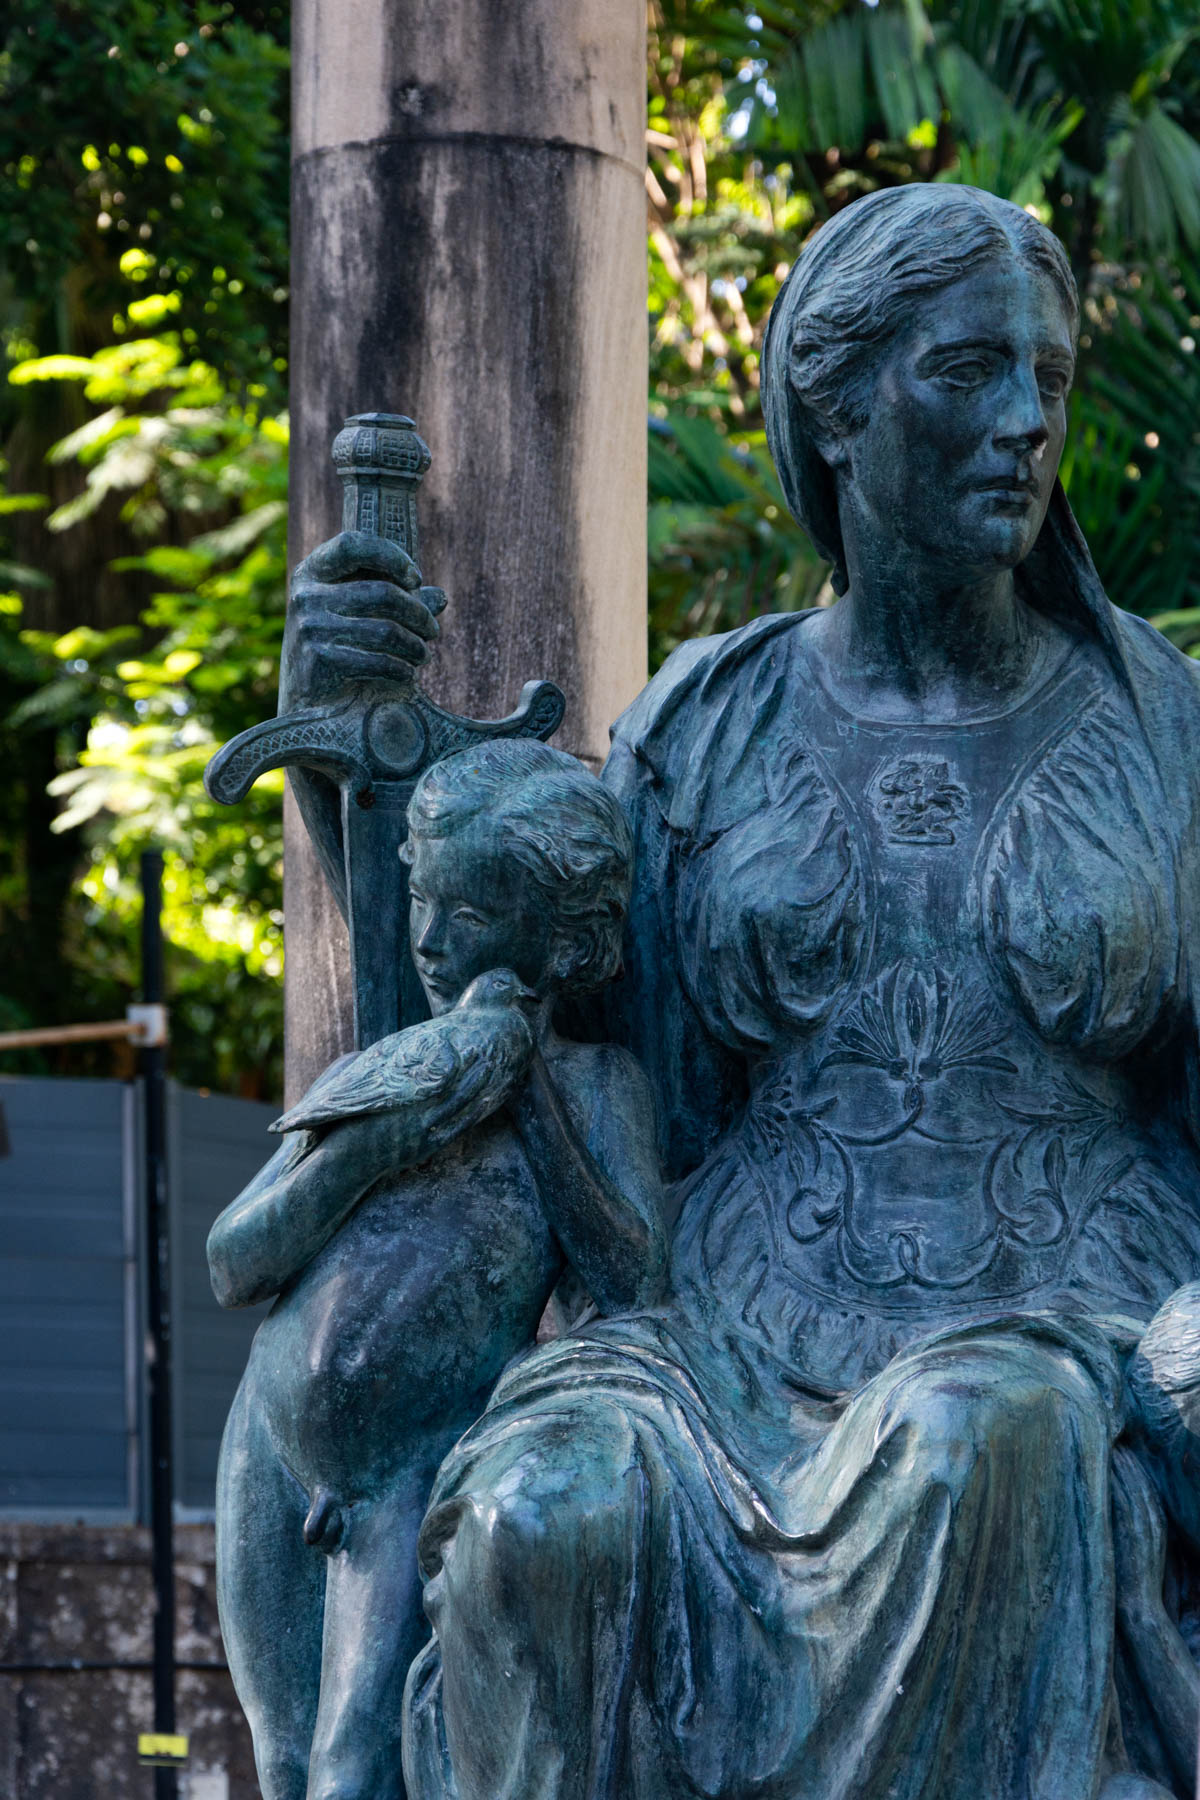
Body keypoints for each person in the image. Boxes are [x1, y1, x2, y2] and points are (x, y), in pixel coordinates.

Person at [278, 184, 1200, 1800]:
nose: (1027, 423)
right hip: (714, 1339)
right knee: (541, 1512)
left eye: (1048, 378)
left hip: (1063, 1322)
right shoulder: (704, 726)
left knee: (978, 1441)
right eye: (969, 370)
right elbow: (515, 1030)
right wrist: (352, 780)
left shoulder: (1159, 723)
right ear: (832, 412)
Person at [207, 738, 665, 1800]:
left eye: (469, 913)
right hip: (269, 1434)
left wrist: (522, 1084)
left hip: (409, 1465)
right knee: (280, 1759)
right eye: (422, 899)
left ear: (565, 944)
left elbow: (633, 1282)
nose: (429, 939)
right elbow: (234, 1262)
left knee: (352, 1770)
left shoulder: (599, 1088)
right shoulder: (383, 1070)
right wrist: (375, 1146)